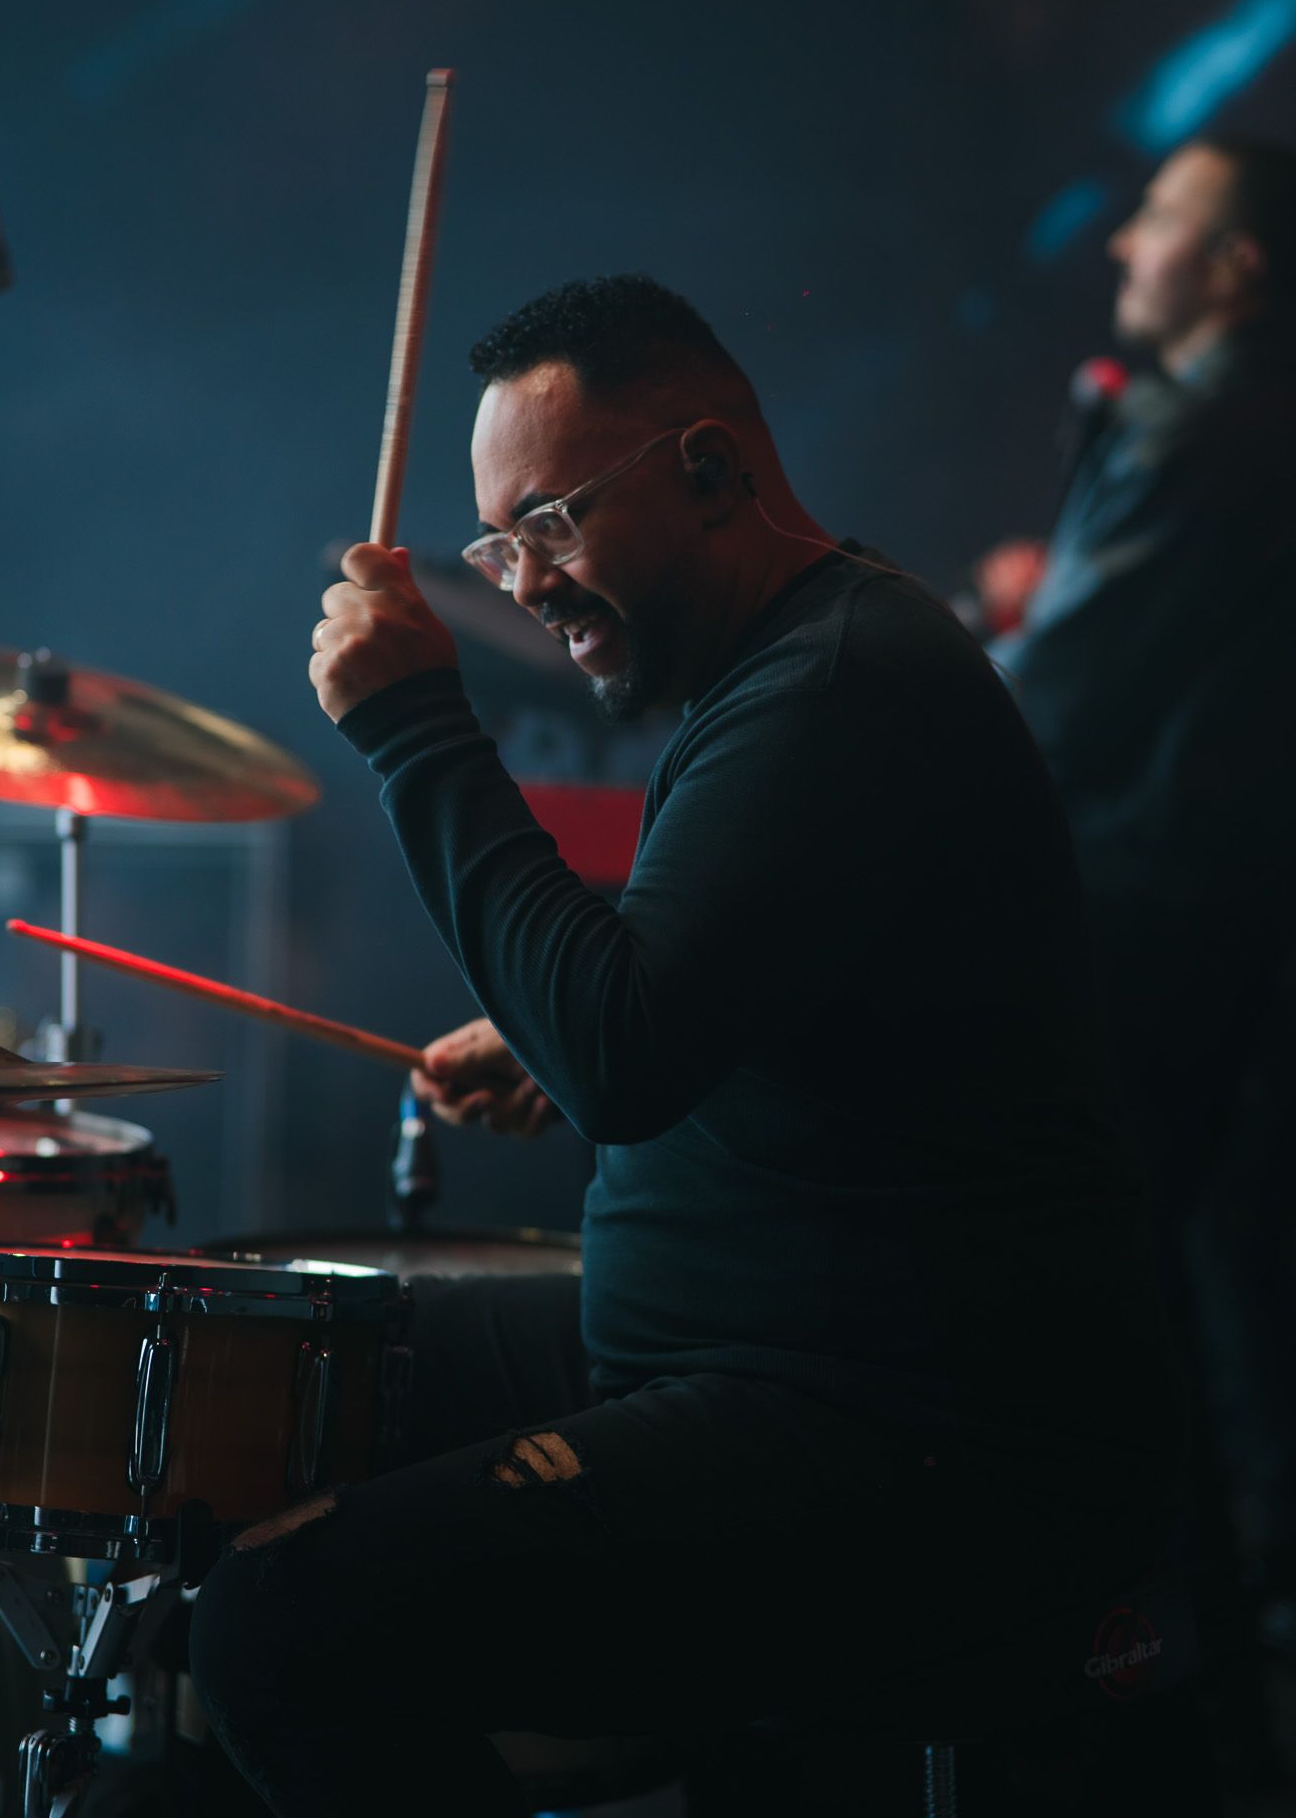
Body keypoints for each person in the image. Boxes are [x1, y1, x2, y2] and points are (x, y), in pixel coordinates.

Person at [190, 276, 1186, 1815]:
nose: (522, 585)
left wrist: (413, 731)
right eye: (498, 545)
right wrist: (559, 1034)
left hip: (886, 1433)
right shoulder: (785, 667)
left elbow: (628, 1053)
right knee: (245, 1373)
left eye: (550, 527)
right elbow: (713, 1008)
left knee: (284, 1627)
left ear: (709, 469)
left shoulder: (843, 680)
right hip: (721, 1347)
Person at [976, 137, 1296, 1782]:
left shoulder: (1207, 421)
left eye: (1162, 220)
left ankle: (1145, 1720)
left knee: (1128, 1321)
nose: (1121, 243)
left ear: (1237, 267)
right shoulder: (1227, 415)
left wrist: (965, 669)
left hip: (1149, 927)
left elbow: (1058, 710)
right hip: (1221, 923)